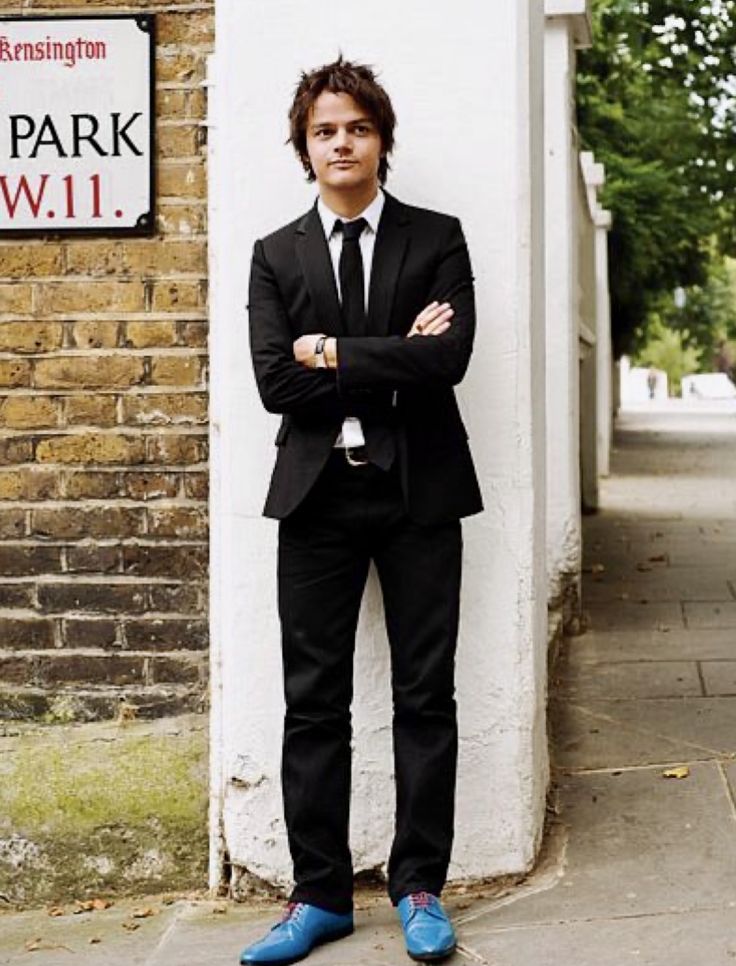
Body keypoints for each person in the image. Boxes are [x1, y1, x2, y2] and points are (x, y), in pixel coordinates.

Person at [241, 56, 483, 966]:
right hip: (315, 499)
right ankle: (319, 897)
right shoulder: (276, 255)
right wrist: (389, 352)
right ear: (306, 149)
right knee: (314, 703)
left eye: (357, 127)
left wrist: (333, 352)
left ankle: (420, 885)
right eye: (324, 131)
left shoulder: (437, 239)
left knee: (426, 695)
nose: (342, 143)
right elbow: (274, 382)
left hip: (420, 490)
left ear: (381, 138)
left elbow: (447, 363)